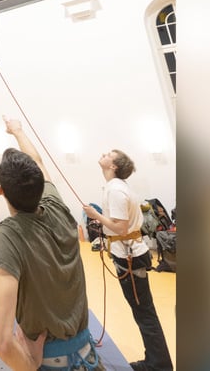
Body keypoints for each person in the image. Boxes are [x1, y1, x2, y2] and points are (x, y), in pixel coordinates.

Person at [0, 118, 103, 371]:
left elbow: (2, 342)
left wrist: (29, 367)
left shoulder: (8, 236)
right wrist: (17, 130)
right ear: (41, 186)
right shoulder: (57, 207)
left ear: (1, 192)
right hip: (88, 358)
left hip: (49, 363)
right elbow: (37, 161)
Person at [84, 151, 173, 371]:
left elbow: (121, 228)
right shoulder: (117, 187)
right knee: (143, 311)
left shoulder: (115, 189)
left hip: (129, 255)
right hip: (130, 253)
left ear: (113, 166)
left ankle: (159, 364)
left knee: (144, 312)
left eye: (108, 154)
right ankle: (155, 360)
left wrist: (95, 216)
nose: (103, 154)